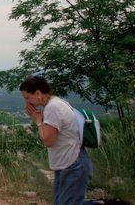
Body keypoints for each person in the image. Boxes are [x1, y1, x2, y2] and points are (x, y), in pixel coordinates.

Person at [20, 76, 92, 205]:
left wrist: (38, 121)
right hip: (68, 163)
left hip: (72, 164)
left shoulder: (53, 108)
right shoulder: (56, 103)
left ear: (38, 93)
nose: (27, 103)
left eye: (27, 98)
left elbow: (48, 141)